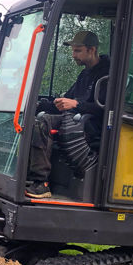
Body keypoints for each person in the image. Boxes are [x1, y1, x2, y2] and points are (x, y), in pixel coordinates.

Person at [25, 30, 110, 199]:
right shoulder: (84, 74)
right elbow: (67, 101)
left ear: (92, 50)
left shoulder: (108, 75)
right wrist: (40, 104)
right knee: (34, 116)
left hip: (92, 126)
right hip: (74, 120)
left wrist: (76, 104)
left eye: (77, 50)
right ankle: (26, 175)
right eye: (73, 50)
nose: (73, 55)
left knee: (44, 122)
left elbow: (107, 108)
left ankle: (41, 183)